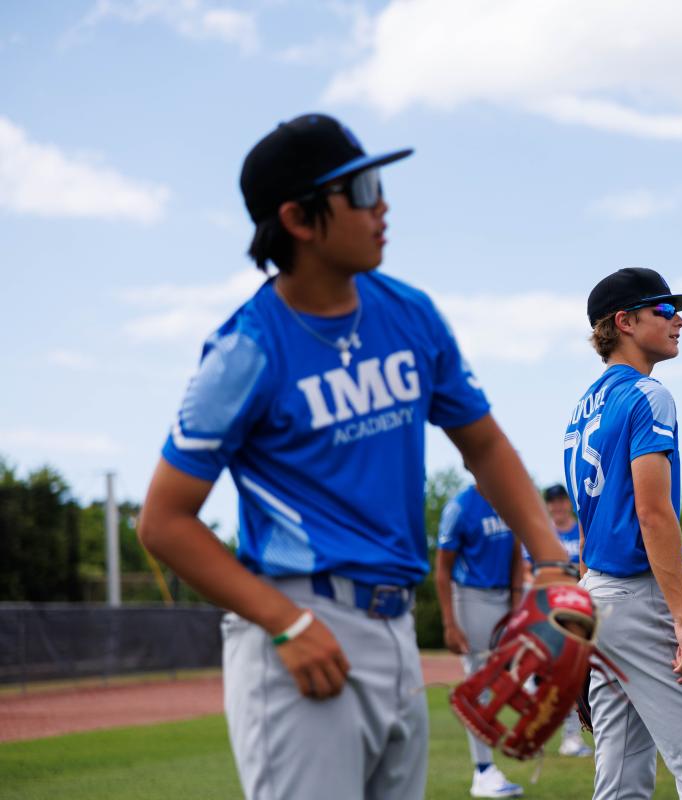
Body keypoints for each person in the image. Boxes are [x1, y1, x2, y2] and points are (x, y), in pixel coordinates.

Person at [136, 113, 574, 800]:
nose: (383, 205)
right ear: (300, 219)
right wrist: (286, 624)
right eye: (362, 188)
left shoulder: (410, 313)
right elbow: (163, 521)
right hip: (303, 626)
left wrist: (549, 557)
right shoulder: (246, 350)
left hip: (395, 626)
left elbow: (483, 442)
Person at [565, 267, 682, 799]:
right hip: (639, 598)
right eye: (664, 310)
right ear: (625, 322)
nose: (679, 320)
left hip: (599, 597)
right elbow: (654, 514)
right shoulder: (648, 395)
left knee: (620, 785)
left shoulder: (580, 410)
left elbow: (589, 524)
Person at [436, 484, 527, 797]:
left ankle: (491, 768)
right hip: (471, 596)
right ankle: (483, 772)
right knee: (478, 684)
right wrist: (449, 623)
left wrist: (516, 601)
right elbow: (442, 568)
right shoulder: (459, 507)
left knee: (514, 672)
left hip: (505, 596)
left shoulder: (506, 495)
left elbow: (516, 552)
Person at [542, 482, 593, 758]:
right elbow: (530, 570)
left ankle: (570, 737)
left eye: (561, 500)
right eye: (553, 501)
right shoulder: (545, 532)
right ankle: (542, 734)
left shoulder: (579, 528)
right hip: (550, 611)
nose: (558, 505)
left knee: (572, 675)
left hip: (577, 611)